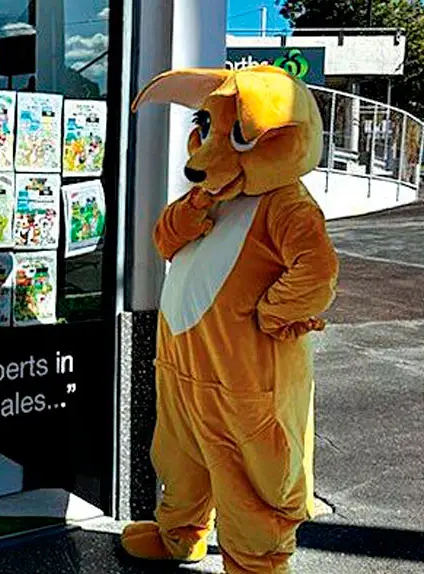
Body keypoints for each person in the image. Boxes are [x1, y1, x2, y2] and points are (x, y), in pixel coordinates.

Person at [123, 65, 339, 574]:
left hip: (243, 384)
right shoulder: (213, 192)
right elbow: (164, 240)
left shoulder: (287, 205)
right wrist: (192, 211)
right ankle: (181, 534)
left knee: (249, 477)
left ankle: (256, 564)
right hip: (182, 369)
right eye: (205, 129)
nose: (202, 158)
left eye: (238, 135)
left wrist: (270, 315)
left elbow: (316, 273)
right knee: (179, 459)